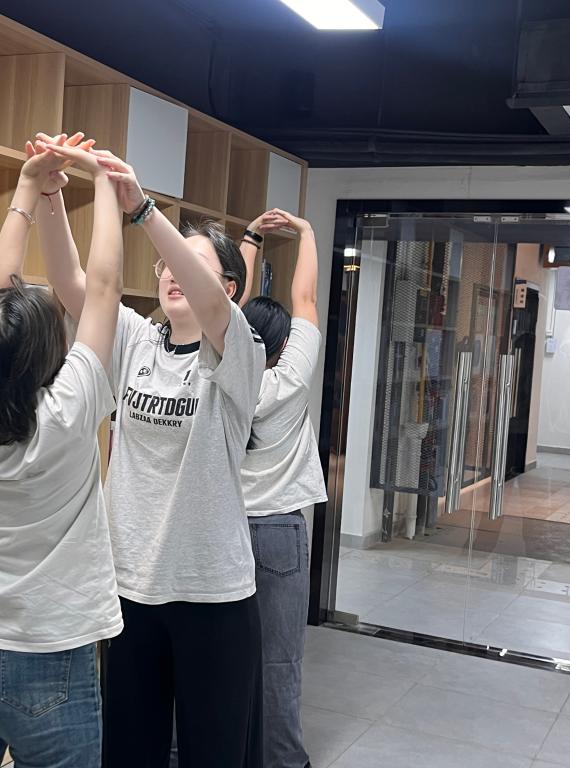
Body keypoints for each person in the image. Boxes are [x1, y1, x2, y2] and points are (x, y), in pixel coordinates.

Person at [37, 143, 267, 768]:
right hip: (130, 586)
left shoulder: (239, 352)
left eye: (188, 264)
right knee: (128, 750)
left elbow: (215, 309)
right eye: (165, 265)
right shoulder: (136, 339)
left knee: (212, 754)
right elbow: (72, 284)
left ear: (227, 286)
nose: (169, 273)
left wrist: (143, 212)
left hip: (213, 594)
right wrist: (51, 195)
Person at [0, 133, 125, 768]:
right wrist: (103, 182)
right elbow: (102, 290)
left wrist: (29, 188)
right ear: (45, 357)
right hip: (50, 655)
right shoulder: (64, 417)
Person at [239, 209, 328, 768]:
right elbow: (306, 298)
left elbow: (224, 305)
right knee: (279, 661)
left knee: (213, 656)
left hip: (222, 529)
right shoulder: (290, 379)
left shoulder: (219, 376)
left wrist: (250, 239)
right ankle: (282, 761)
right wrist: (306, 234)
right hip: (279, 534)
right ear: (283, 343)